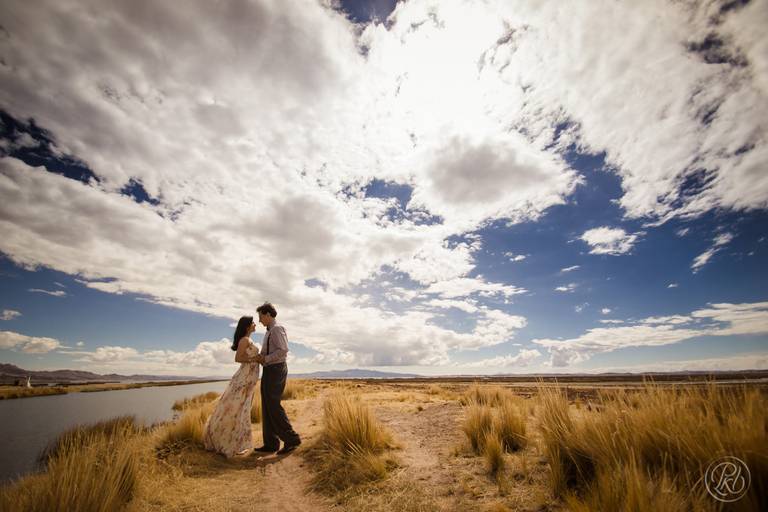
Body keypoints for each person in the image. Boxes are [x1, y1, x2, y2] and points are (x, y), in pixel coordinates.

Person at [202, 315, 261, 458]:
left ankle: (236, 443)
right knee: (234, 410)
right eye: (253, 323)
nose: (255, 324)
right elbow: (238, 358)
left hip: (248, 380)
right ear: (247, 326)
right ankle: (224, 442)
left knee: (241, 411)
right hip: (243, 380)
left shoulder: (249, 339)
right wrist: (255, 359)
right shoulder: (244, 340)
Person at [252, 302, 301, 455]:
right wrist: (262, 358)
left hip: (276, 369)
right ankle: (271, 443)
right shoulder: (269, 331)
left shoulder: (277, 329)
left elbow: (283, 350)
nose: (259, 320)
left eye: (260, 316)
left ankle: (292, 439)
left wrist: (265, 359)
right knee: (266, 406)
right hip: (269, 370)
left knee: (273, 405)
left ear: (267, 314)